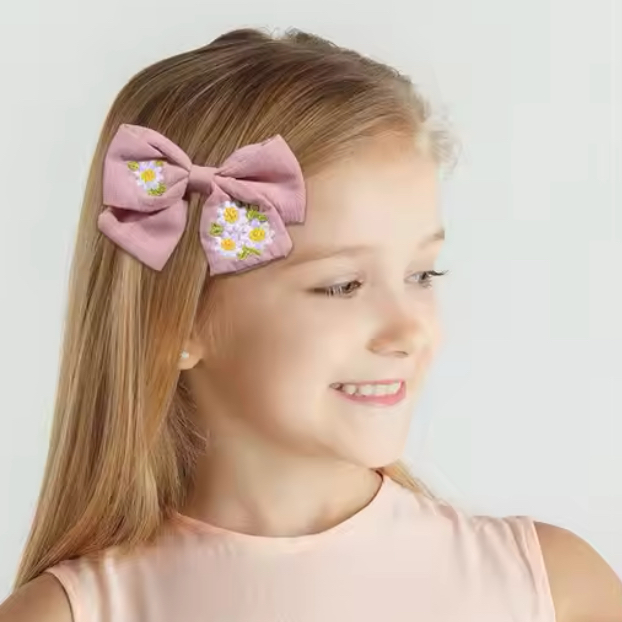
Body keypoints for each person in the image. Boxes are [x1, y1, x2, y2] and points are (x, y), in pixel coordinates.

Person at [1, 27, 620, 622]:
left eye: (422, 274)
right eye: (343, 285)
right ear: (180, 322)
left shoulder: (555, 593)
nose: (406, 331)